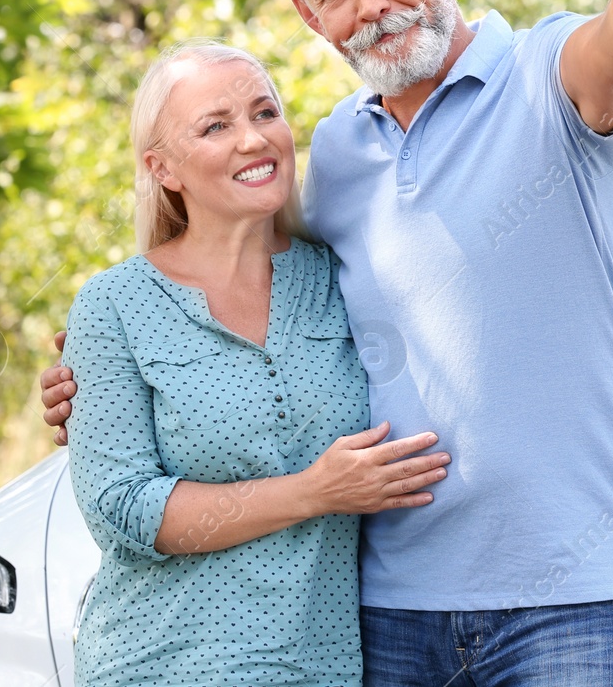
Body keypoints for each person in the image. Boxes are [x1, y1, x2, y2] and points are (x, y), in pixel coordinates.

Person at [43, 0, 613, 685]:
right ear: (310, 17)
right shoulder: (336, 155)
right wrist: (91, 380)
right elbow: (261, 309)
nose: (371, 5)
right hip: (387, 606)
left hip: (571, 594)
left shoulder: (546, 75)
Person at [62, 41, 452, 686]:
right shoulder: (115, 305)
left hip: (316, 669)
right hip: (158, 667)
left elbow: (465, 354)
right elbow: (122, 506)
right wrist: (313, 493)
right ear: (164, 169)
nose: (253, 139)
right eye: (216, 126)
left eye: (264, 113)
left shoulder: (344, 280)